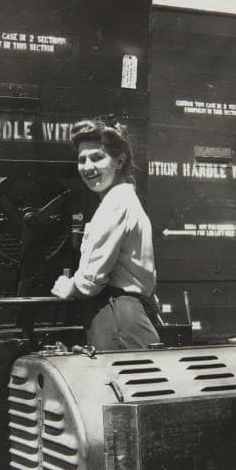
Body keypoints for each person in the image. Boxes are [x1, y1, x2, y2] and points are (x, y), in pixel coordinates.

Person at [51, 117, 161, 351]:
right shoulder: (126, 199)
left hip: (116, 317)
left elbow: (90, 281)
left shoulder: (115, 204)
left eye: (97, 157)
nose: (87, 167)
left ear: (119, 161)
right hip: (126, 314)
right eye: (82, 160)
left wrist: (69, 286)